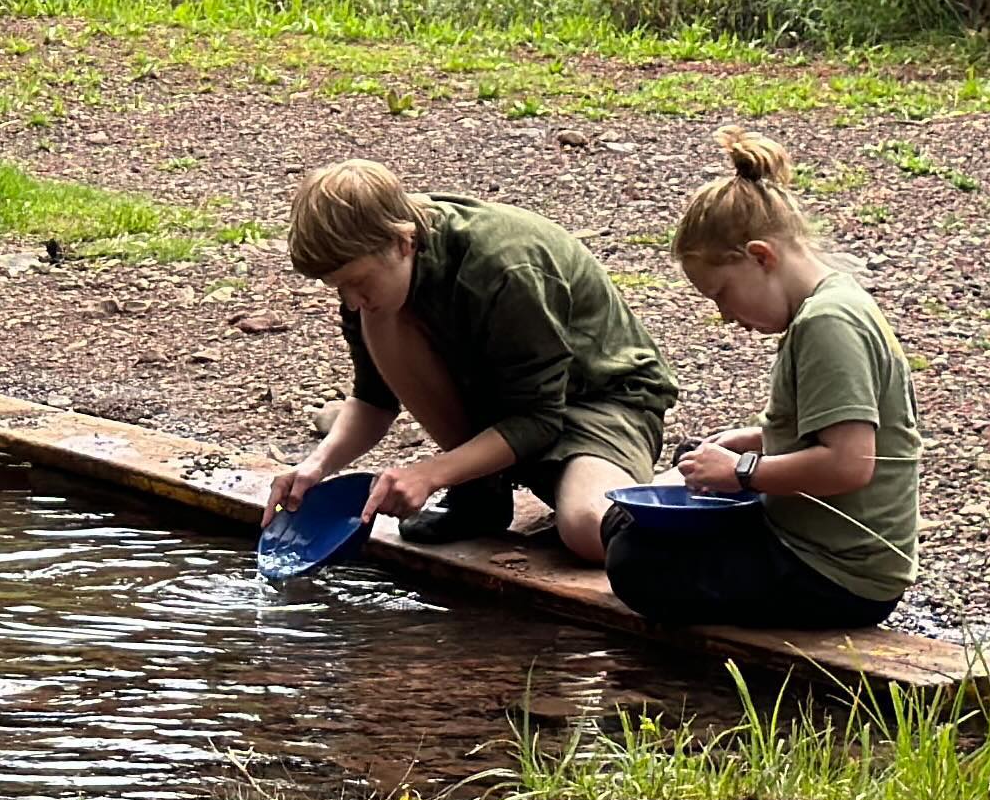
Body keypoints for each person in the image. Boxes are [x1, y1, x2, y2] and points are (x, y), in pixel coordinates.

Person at [270, 154, 676, 566]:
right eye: (338, 288)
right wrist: (315, 468)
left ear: (403, 240)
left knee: (586, 526)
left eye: (357, 282)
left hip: (601, 401)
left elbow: (538, 420)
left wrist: (431, 474)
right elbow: (375, 400)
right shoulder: (375, 280)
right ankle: (482, 492)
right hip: (511, 404)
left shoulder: (505, 268)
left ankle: (704, 519)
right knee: (380, 319)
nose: (350, 301)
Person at [598, 126, 920, 638]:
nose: (725, 316)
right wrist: (746, 441)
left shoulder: (828, 324)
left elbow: (850, 463)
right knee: (623, 523)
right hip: (805, 538)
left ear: (761, 257)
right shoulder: (827, 305)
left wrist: (742, 471)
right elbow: (820, 426)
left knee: (635, 561)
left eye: (721, 293)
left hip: (841, 575)